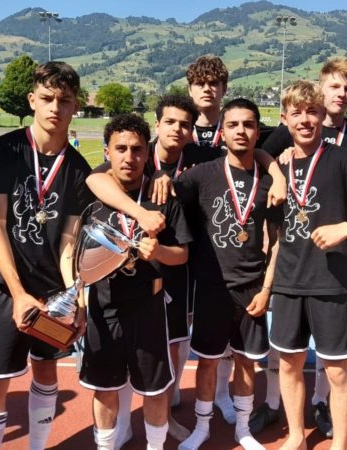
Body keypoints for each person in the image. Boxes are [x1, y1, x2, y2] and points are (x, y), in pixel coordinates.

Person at [264, 81, 347, 450]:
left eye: (312, 112)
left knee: (337, 371)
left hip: (333, 282)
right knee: (289, 365)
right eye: (296, 113)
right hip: (289, 282)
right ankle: (296, 435)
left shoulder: (344, 160)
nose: (305, 120)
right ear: (284, 120)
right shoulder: (279, 165)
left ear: (323, 115)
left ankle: (339, 444)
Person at [0, 61, 93, 450]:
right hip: (4, 290)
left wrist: (76, 297)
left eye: (65, 100)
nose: (55, 107)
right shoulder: (3, 151)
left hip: (53, 294)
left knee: (46, 372)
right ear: (32, 100)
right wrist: (18, 293)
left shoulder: (78, 168)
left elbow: (69, 243)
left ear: (76, 106)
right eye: (47, 98)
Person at [86, 94, 212, 448]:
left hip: (162, 288)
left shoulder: (196, 162)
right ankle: (119, 430)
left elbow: (181, 254)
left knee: (162, 368)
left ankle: (163, 426)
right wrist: (144, 206)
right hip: (109, 297)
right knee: (110, 380)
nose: (177, 129)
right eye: (170, 122)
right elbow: (94, 180)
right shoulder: (110, 179)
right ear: (158, 126)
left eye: (185, 125)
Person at [185, 55, 287, 427]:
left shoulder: (248, 145)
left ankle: (233, 410)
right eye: (200, 83)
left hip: (242, 268)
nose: (207, 89)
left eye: (214, 83)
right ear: (190, 89)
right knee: (197, 350)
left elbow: (261, 151)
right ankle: (193, 417)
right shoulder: (184, 134)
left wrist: (276, 172)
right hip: (199, 263)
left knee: (239, 354)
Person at [172, 98, 278, 450]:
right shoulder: (202, 175)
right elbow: (166, 195)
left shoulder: (270, 181)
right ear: (222, 131)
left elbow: (277, 241)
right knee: (207, 362)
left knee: (246, 362)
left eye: (248, 124)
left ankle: (243, 429)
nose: (241, 131)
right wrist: (158, 176)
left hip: (252, 288)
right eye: (232, 125)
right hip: (211, 287)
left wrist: (267, 288)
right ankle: (202, 427)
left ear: (258, 131)